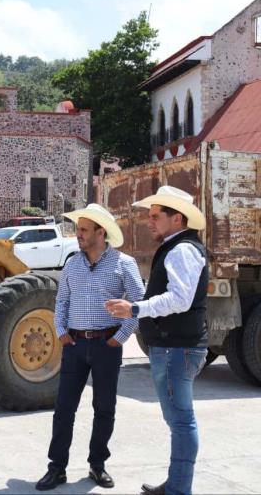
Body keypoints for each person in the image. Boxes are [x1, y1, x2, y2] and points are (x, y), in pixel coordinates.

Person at [105, 186, 208, 495]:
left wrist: (136, 308)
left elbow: (180, 300)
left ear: (176, 219)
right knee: (178, 420)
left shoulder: (182, 249)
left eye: (155, 216)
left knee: (181, 421)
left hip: (177, 348)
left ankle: (179, 490)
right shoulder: (177, 247)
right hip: (173, 346)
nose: (149, 222)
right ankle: (176, 484)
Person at [36, 203, 145, 491]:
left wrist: (119, 338)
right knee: (63, 409)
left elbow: (138, 306)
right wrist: (61, 331)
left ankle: (97, 465)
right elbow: (62, 302)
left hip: (106, 345)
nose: (78, 235)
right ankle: (56, 468)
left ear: (101, 232)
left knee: (104, 408)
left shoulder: (124, 263)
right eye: (77, 229)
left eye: (83, 230)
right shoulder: (72, 263)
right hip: (74, 345)